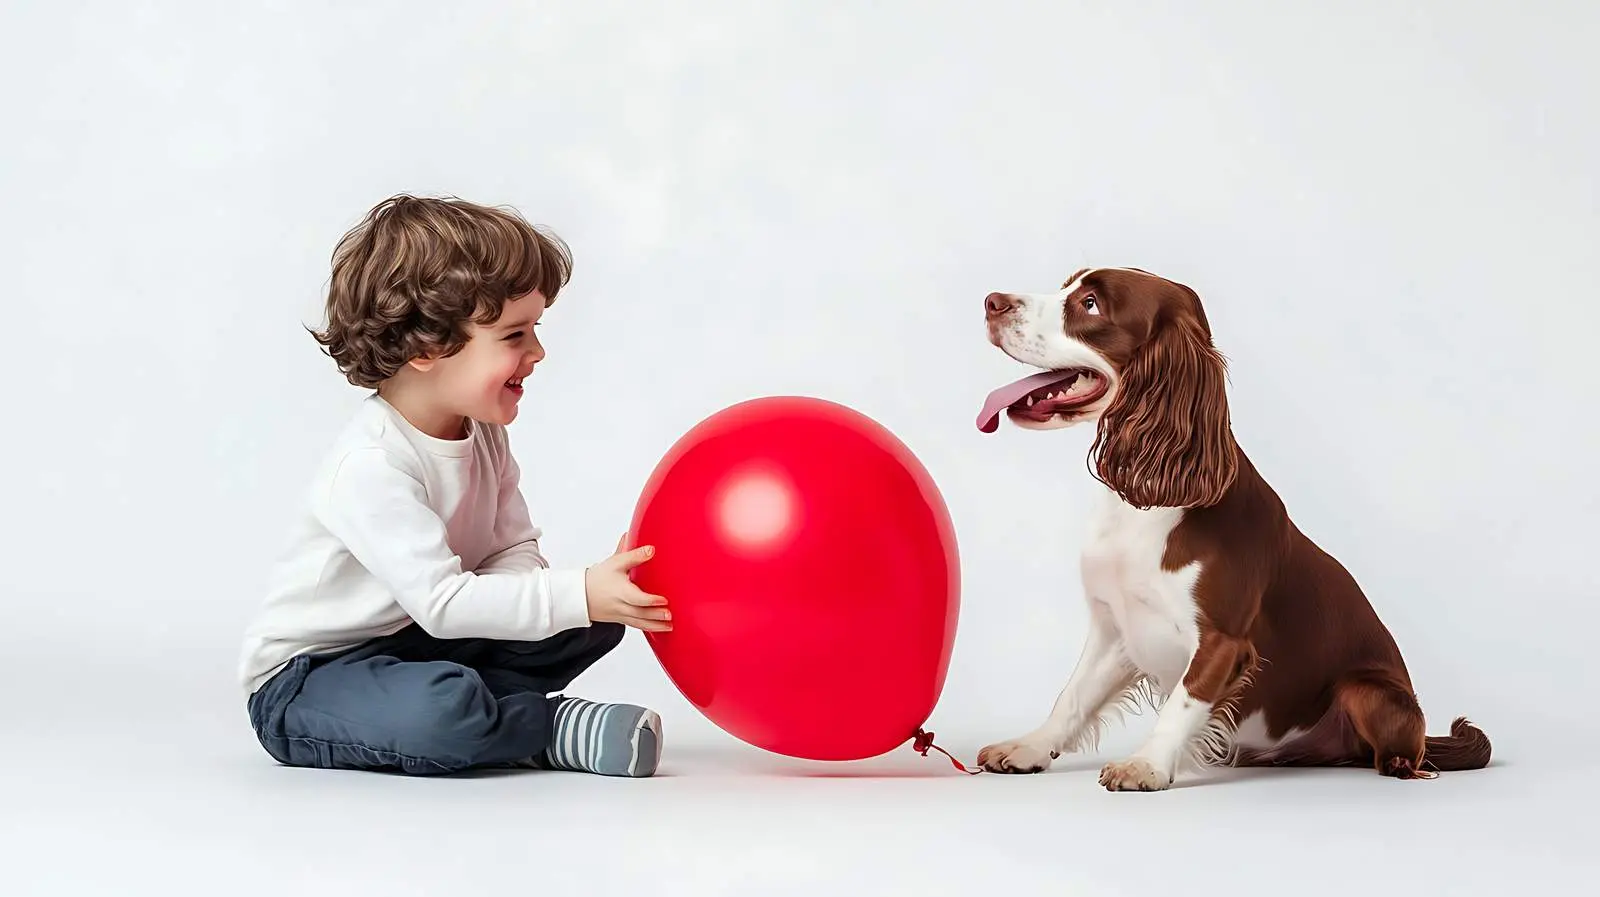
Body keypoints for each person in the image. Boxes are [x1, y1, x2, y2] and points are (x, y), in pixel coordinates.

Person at [237, 194, 670, 777]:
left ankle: (481, 708)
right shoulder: (371, 466)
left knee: (593, 619)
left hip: (422, 642)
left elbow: (512, 550)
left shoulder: (484, 434)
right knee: (445, 710)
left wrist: (585, 598)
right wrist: (574, 592)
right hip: (312, 678)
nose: (538, 352)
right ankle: (537, 729)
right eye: (515, 335)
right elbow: (443, 604)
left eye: (534, 330)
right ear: (426, 348)